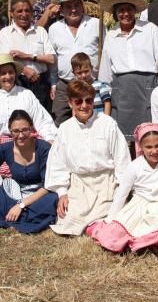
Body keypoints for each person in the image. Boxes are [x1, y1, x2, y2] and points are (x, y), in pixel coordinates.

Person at [46, 80, 131, 236]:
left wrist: (121, 191)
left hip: (106, 184)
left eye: (88, 100)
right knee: (69, 220)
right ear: (71, 103)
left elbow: (122, 159)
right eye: (78, 101)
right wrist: (62, 193)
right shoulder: (65, 129)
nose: (84, 106)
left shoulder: (108, 123)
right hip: (79, 186)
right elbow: (58, 164)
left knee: (112, 219)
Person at [87, 122, 158, 253]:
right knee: (114, 234)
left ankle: (146, 242)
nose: (154, 151)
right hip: (139, 206)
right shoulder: (134, 166)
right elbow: (122, 193)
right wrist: (111, 218)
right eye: (148, 147)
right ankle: (139, 241)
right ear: (141, 147)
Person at [98, 0, 158, 142]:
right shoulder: (111, 35)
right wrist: (106, 92)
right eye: (121, 10)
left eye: (129, 9)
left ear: (135, 11)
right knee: (123, 138)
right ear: (116, 13)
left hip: (148, 87)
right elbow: (106, 70)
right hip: (122, 92)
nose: (125, 14)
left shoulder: (150, 29)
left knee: (149, 133)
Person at [0, 53, 58, 154]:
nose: (8, 76)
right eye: (3, 73)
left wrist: (50, 140)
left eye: (10, 72)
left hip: (25, 149)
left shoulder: (26, 94)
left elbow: (42, 121)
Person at [47, 0, 100, 124]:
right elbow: (53, 58)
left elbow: (105, 52)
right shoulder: (54, 29)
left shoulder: (96, 24)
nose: (73, 9)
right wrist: (53, 84)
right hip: (64, 84)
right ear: (62, 9)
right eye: (68, 6)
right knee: (60, 119)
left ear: (82, 6)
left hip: (91, 82)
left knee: (93, 119)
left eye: (77, 5)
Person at [0, 0, 55, 112]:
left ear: (32, 13)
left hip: (41, 82)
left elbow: (51, 59)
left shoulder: (40, 31)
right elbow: (6, 60)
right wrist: (25, 70)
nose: (24, 14)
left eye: (27, 10)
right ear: (11, 14)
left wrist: (28, 56)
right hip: (18, 81)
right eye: (19, 11)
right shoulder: (5, 33)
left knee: (41, 115)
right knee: (20, 116)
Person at [70, 52, 111, 117]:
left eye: (86, 71)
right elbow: (74, 107)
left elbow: (107, 103)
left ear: (91, 68)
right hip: (84, 123)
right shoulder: (76, 89)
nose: (83, 75)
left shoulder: (100, 85)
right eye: (79, 73)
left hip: (99, 121)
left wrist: (107, 119)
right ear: (74, 73)